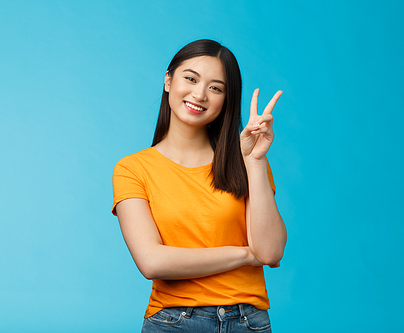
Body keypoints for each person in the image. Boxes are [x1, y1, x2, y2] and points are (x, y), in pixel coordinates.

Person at [112, 39, 287, 333]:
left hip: (248, 321)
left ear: (226, 100)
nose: (199, 94)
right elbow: (152, 261)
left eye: (216, 88)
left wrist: (254, 161)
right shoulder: (132, 169)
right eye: (190, 79)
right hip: (174, 322)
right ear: (168, 80)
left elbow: (269, 252)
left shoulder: (246, 160)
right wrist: (246, 254)